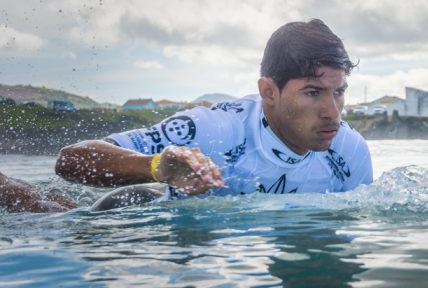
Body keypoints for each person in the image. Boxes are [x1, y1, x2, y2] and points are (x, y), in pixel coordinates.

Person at [50, 19, 372, 210]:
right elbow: (70, 160)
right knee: (57, 213)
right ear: (268, 92)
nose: (332, 112)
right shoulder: (213, 130)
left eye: (339, 92)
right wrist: (156, 166)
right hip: (168, 235)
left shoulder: (350, 152)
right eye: (313, 93)